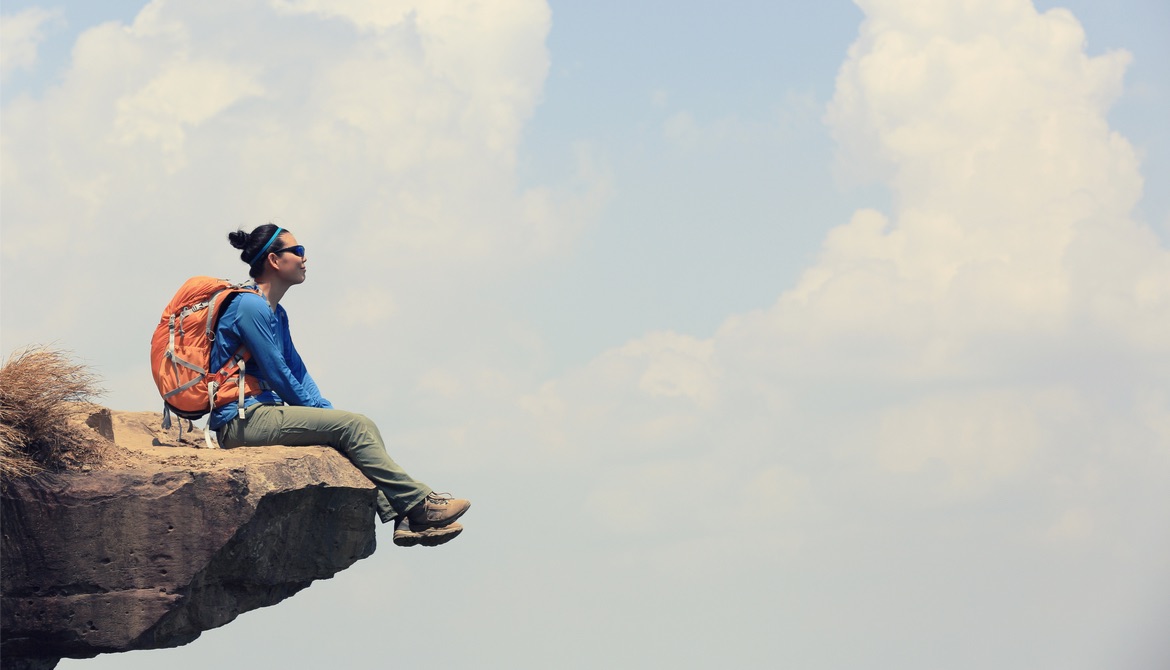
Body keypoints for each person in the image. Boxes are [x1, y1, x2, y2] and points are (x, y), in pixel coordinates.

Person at [209, 223, 469, 547]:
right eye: (298, 251)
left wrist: (326, 413)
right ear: (274, 260)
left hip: (263, 413)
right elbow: (278, 375)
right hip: (241, 420)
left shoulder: (277, 313)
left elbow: (297, 370)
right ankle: (419, 505)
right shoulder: (249, 307)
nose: (305, 259)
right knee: (354, 427)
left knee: (357, 425)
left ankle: (405, 517)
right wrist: (338, 423)